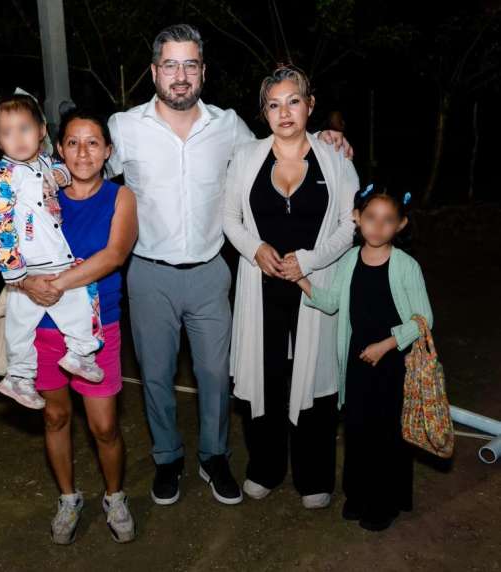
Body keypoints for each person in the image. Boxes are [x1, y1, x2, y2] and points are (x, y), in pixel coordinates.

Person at [108, 24, 352, 506]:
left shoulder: (230, 127)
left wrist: (327, 136)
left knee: (218, 376)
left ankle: (214, 456)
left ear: (203, 71)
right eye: (171, 65)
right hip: (148, 272)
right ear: (154, 72)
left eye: (190, 65)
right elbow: (87, 170)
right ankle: (167, 459)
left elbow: (279, 142)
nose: (181, 75)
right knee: (155, 376)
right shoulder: (123, 127)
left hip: (210, 272)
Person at [223, 65, 359, 509]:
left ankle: (314, 475)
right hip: (260, 286)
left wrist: (311, 261)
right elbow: (229, 219)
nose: (284, 113)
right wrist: (255, 248)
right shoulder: (246, 157)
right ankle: (264, 467)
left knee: (315, 379)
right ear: (264, 113)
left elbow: (350, 224)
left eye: (293, 101)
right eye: (274, 105)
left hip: (314, 287)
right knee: (264, 378)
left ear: (310, 105)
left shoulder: (335, 158)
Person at [19, 110, 139, 543]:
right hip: (45, 325)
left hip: (98, 328)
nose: (83, 152)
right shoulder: (37, 194)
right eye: (73, 142)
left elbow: (114, 256)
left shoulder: (120, 198)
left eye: (93, 143)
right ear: (58, 149)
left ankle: (114, 496)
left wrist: (56, 283)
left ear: (108, 151)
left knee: (104, 426)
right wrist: (25, 282)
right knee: (55, 417)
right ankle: (68, 498)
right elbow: (12, 247)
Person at [297, 186, 432, 531]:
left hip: (393, 364)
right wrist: (301, 280)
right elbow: (331, 303)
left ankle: (384, 502)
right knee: (357, 429)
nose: (378, 226)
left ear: (401, 225)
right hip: (357, 362)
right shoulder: (348, 261)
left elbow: (423, 320)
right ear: (357, 218)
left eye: (388, 220)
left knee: (386, 432)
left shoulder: (406, 266)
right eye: (371, 217)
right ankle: (357, 495)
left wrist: (386, 345)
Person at [0, 93, 104, 410]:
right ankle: (19, 376)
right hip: (27, 262)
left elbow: (60, 173)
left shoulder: (45, 163)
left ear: (41, 131)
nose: (17, 138)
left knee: (77, 300)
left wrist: (64, 174)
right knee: (20, 323)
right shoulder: (4, 176)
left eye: (24, 129)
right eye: (7, 133)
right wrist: (14, 271)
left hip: (57, 254)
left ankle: (80, 352)